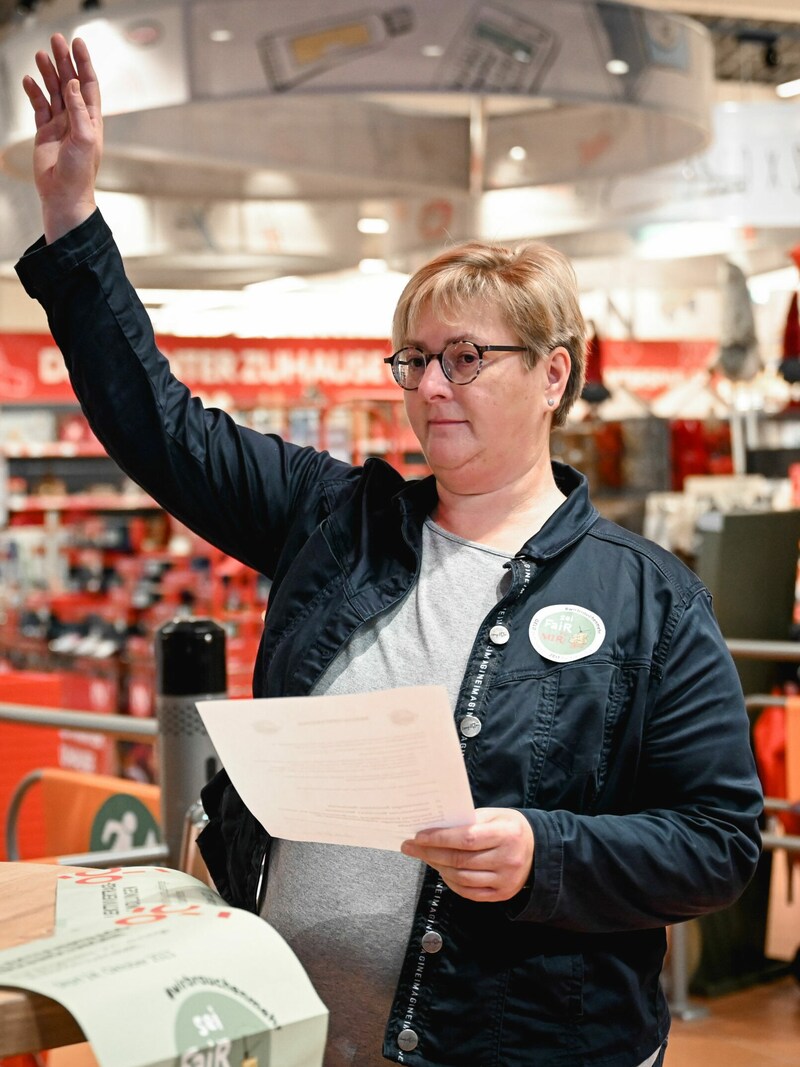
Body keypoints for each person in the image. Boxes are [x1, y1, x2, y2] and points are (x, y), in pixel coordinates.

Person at [16, 34, 762, 1067]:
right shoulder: (336, 521)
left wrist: (545, 850)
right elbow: (163, 426)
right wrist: (71, 218)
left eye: (465, 357)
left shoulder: (646, 598)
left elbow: (719, 841)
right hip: (291, 1026)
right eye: (413, 359)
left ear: (553, 374)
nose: (429, 386)